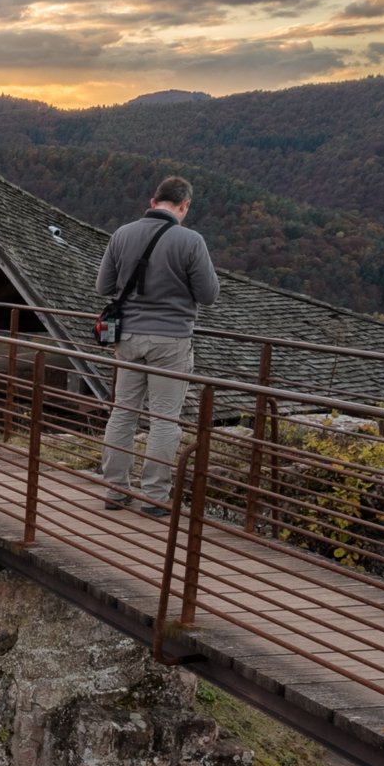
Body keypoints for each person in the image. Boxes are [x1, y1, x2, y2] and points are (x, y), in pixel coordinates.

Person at [95, 176, 220, 516]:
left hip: (128, 337)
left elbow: (103, 285)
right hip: (171, 338)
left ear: (153, 202)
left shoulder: (122, 234)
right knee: (164, 419)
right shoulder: (190, 241)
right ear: (184, 206)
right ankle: (155, 497)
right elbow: (209, 295)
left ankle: (116, 491)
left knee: (123, 413)